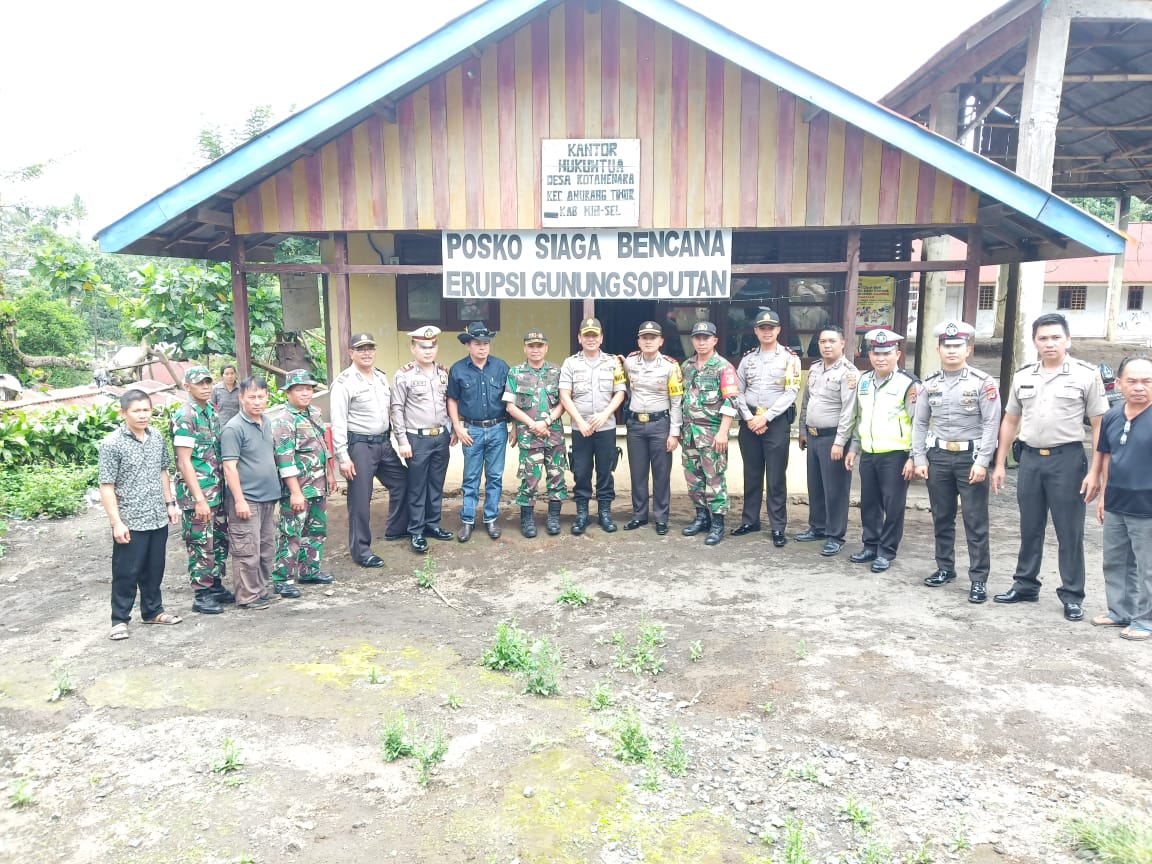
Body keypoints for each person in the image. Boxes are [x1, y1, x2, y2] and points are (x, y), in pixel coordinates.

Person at [990, 312, 1110, 621]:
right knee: (1030, 527)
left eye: (1056, 337)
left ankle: (1072, 594)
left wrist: (1095, 470)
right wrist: (1000, 462)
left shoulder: (1086, 375)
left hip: (1067, 461)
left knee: (1069, 531)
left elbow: (1099, 425)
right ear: (1035, 342)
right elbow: (1010, 420)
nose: (1049, 343)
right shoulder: (1024, 375)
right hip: (1029, 459)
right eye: (1043, 338)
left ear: (1068, 340)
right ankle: (1025, 584)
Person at [911, 321, 1001, 603]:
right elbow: (920, 422)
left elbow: (991, 423)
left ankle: (978, 579)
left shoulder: (983, 383)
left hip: (969, 458)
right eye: (947, 346)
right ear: (939, 349)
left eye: (957, 346)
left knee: (975, 520)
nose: (951, 351)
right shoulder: (929, 383)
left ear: (968, 350)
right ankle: (945, 568)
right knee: (941, 516)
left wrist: (983, 461)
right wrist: (919, 457)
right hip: (938, 458)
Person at [98, 390, 183, 640]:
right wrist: (116, 522)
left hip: (157, 514)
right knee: (126, 571)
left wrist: (170, 503)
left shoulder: (156, 437)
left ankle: (153, 611)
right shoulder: (112, 444)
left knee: (155, 568)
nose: (143, 415)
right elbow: (106, 486)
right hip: (130, 519)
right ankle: (119, 620)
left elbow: (163, 471)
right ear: (123, 413)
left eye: (146, 410)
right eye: (136, 410)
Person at [330, 333, 409, 568]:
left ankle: (395, 529)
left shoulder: (381, 378)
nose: (367, 353)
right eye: (361, 349)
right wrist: (343, 457)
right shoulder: (344, 382)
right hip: (360, 446)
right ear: (351, 353)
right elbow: (338, 421)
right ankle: (361, 550)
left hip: (383, 444)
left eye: (370, 348)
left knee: (403, 481)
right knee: (360, 498)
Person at [844, 329, 919, 573]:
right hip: (869, 453)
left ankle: (887, 551)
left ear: (897, 354)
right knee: (869, 503)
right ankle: (870, 545)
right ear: (869, 354)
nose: (881, 358)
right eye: (876, 353)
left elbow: (919, 423)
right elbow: (859, 418)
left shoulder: (909, 384)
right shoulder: (864, 381)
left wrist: (913, 457)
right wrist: (854, 448)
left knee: (893, 506)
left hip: (896, 456)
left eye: (887, 353)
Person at [1092, 355, 1152, 640]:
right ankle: (1120, 611)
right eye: (1133, 381)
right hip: (1116, 501)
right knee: (1116, 560)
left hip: (1148, 506)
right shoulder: (1113, 416)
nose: (1139, 387)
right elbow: (1106, 457)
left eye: (1147, 381)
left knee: (1147, 567)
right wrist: (1104, 496)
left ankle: (1146, 619)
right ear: (1119, 384)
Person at [733, 308, 801, 547]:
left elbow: (791, 392)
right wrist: (749, 417)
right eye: (762, 328)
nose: (767, 332)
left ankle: (777, 526)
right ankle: (750, 520)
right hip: (749, 422)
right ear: (756, 331)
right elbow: (737, 391)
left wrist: (766, 418)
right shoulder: (747, 358)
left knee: (775, 478)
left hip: (775, 423)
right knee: (751, 475)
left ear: (779, 330)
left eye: (771, 328)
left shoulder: (790, 358)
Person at [171, 365, 233, 615]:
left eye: (208, 382)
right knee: (200, 543)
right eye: (200, 383)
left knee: (218, 541)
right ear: (187, 387)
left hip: (216, 490)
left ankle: (215, 583)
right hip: (198, 494)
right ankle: (202, 593)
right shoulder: (186, 416)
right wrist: (199, 499)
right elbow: (184, 461)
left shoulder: (210, 411)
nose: (206, 387)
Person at [270, 369, 337, 597]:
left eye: (308, 389)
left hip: (317, 486)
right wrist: (295, 492)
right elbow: (285, 460)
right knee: (291, 533)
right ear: (288, 392)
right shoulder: (284, 421)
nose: (306, 393)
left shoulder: (313, 414)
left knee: (316, 530)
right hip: (298, 489)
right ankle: (282, 578)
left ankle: (309, 570)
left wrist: (329, 474)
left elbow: (323, 447)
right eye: (300, 389)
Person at [559, 317, 627, 535]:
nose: (590, 339)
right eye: (586, 335)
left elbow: (620, 392)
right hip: (581, 428)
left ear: (601, 338)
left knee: (605, 472)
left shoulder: (613, 362)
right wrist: (579, 421)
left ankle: (605, 514)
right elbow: (564, 395)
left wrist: (605, 415)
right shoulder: (570, 363)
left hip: (605, 427)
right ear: (579, 338)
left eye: (594, 335)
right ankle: (582, 515)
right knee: (581, 472)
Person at [391, 326, 456, 554]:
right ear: (413, 348)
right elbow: (396, 409)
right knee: (417, 487)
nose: (428, 351)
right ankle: (416, 531)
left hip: (440, 437)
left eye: (432, 346)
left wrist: (453, 428)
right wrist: (402, 440)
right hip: (415, 439)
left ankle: (432, 525)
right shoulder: (404, 375)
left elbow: (449, 403)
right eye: (422, 347)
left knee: (436, 484)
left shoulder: (444, 373)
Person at [220, 376, 282, 610]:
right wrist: (239, 500)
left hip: (268, 498)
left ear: (267, 397)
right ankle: (247, 596)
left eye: (261, 397)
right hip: (247, 500)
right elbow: (229, 467)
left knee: (266, 548)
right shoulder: (234, 428)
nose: (257, 402)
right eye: (251, 397)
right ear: (241, 398)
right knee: (246, 550)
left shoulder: (266, 421)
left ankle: (261, 590)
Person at [796, 325, 858, 556]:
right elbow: (807, 400)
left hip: (833, 438)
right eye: (823, 341)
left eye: (832, 341)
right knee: (816, 486)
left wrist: (840, 442)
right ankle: (818, 526)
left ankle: (835, 534)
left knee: (836, 489)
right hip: (813, 436)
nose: (827, 345)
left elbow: (849, 411)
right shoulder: (814, 369)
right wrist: (803, 429)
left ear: (842, 343)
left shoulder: (848, 372)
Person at [448, 322, 510, 542]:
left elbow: (509, 399)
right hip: (471, 430)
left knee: (494, 477)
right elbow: (452, 400)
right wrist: (457, 426)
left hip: (497, 428)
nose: (482, 347)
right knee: (471, 477)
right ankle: (467, 520)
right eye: (477, 343)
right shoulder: (458, 369)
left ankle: (491, 519)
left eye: (486, 343)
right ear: (468, 345)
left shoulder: (501, 367)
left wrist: (511, 427)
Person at [680, 321, 740, 545]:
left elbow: (731, 400)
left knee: (714, 478)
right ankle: (701, 517)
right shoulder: (686, 366)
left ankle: (717, 523)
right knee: (693, 478)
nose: (701, 342)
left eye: (706, 338)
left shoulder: (724, 367)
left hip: (712, 433)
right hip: (689, 433)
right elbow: (681, 399)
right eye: (697, 338)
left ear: (715, 340)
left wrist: (723, 432)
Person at [503, 330, 568, 537]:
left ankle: (553, 518)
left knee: (556, 477)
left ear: (546, 348)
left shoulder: (557, 372)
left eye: (539, 346)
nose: (536, 350)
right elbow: (510, 407)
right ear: (525, 348)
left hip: (554, 435)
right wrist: (534, 424)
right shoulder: (515, 373)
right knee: (529, 479)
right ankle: (527, 520)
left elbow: (563, 402)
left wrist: (546, 421)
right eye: (531, 346)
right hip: (528, 437)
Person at [622, 320, 684, 535]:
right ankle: (639, 515)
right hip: (636, 425)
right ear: (639, 341)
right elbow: (627, 391)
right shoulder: (629, 363)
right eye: (644, 338)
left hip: (660, 425)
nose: (648, 342)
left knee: (661, 474)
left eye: (653, 338)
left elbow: (676, 401)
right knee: (637, 473)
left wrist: (674, 432)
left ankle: (661, 517)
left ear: (661, 341)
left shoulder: (670, 366)